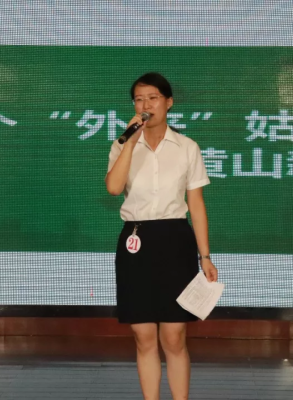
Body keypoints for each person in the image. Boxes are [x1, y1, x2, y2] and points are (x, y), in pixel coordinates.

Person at [105, 72, 218, 400]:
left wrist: (205, 256)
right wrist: (130, 142)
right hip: (136, 243)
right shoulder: (123, 144)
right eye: (139, 99)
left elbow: (196, 204)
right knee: (143, 337)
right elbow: (113, 188)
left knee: (174, 337)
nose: (145, 105)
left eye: (153, 98)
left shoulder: (187, 147)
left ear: (168, 102)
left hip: (175, 241)